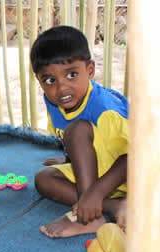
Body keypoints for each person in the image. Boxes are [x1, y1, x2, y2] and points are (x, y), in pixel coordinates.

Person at [31, 26, 128, 238]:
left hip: (135, 176)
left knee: (77, 130)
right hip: (103, 178)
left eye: (72, 74)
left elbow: (136, 157)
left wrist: (96, 192)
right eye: (50, 80)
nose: (62, 88)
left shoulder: (105, 111)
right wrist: (72, 158)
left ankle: (88, 218)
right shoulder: (54, 102)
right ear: (39, 80)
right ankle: (112, 206)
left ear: (90, 70)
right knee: (44, 179)